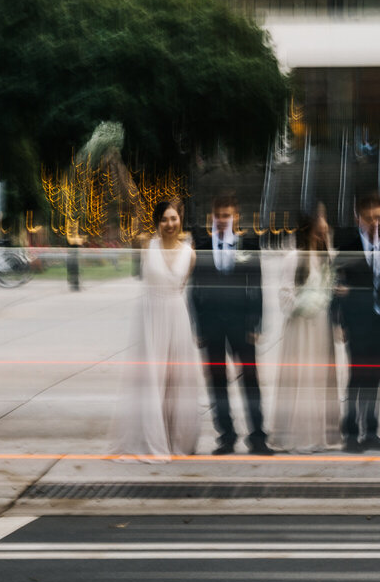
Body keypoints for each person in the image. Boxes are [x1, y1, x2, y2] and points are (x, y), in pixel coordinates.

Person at [109, 200, 203, 460]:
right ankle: (149, 437)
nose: (170, 224)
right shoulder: (145, 247)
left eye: (173, 218)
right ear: (157, 222)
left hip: (177, 318)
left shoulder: (190, 254)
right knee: (151, 378)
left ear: (180, 220)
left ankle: (175, 438)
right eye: (164, 219)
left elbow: (183, 286)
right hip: (150, 320)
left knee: (176, 380)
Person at [189, 193, 272, 455]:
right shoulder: (202, 244)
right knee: (216, 381)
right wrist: (198, 327)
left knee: (250, 379)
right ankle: (226, 435)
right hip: (212, 324)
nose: (223, 220)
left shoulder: (248, 243)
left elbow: (258, 286)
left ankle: (257, 435)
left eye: (227, 215)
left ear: (236, 216)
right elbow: (194, 288)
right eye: (219, 215)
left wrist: (256, 324)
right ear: (212, 217)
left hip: (241, 323)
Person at [332, 193, 380, 453]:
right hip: (357, 321)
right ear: (359, 219)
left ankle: (371, 431)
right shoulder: (347, 244)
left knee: (376, 377)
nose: (376, 223)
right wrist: (339, 322)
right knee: (357, 377)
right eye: (371, 219)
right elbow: (337, 285)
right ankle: (350, 432)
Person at [273, 205, 340, 453]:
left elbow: (330, 286)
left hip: (320, 326)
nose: (323, 229)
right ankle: (299, 433)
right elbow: (284, 295)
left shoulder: (325, 257)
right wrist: (302, 304)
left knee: (319, 377)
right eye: (320, 223)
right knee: (301, 377)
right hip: (300, 328)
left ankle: (320, 432)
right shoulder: (294, 258)